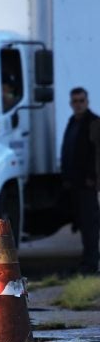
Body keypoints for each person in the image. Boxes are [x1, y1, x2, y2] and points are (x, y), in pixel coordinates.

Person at [61, 86, 100, 273]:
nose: (78, 104)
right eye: (75, 101)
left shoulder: (94, 123)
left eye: (81, 101)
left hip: (88, 184)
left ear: (87, 101)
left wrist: (92, 177)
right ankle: (87, 260)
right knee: (82, 224)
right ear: (70, 103)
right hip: (74, 184)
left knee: (90, 225)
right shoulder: (72, 122)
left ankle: (91, 263)